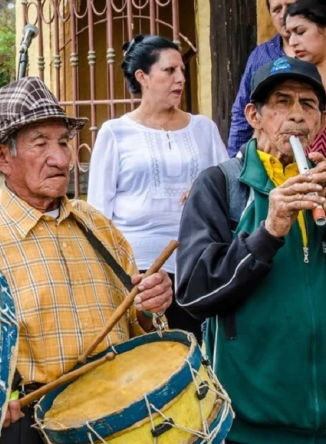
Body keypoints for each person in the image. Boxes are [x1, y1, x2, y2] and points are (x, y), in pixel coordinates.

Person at [0, 77, 173, 444]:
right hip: (32, 421)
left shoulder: (97, 224)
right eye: (41, 144)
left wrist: (151, 304)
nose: (62, 158)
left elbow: (141, 324)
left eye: (63, 142)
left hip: (118, 410)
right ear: (3, 157)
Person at [177, 57, 326, 443]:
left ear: (321, 121)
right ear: (254, 115)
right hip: (249, 422)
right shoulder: (220, 185)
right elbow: (195, 293)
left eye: (308, 105)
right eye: (282, 102)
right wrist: (268, 232)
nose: (296, 116)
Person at [88, 35, 228, 341]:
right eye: (169, 71)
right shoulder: (115, 132)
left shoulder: (203, 128)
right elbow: (98, 213)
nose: (180, 79)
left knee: (197, 356)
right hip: (138, 271)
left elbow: (229, 187)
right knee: (149, 356)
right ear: (143, 77)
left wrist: (205, 191)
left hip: (199, 264)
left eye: (182, 71)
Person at [227, 0, 326, 157]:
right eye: (276, 9)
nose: (293, 42)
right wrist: (237, 166)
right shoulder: (262, 57)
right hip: (288, 176)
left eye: (300, 32)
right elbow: (241, 115)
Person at [286, 0, 326, 179]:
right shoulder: (292, 84)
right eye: (289, 34)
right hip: (301, 183)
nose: (292, 42)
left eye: (300, 31)